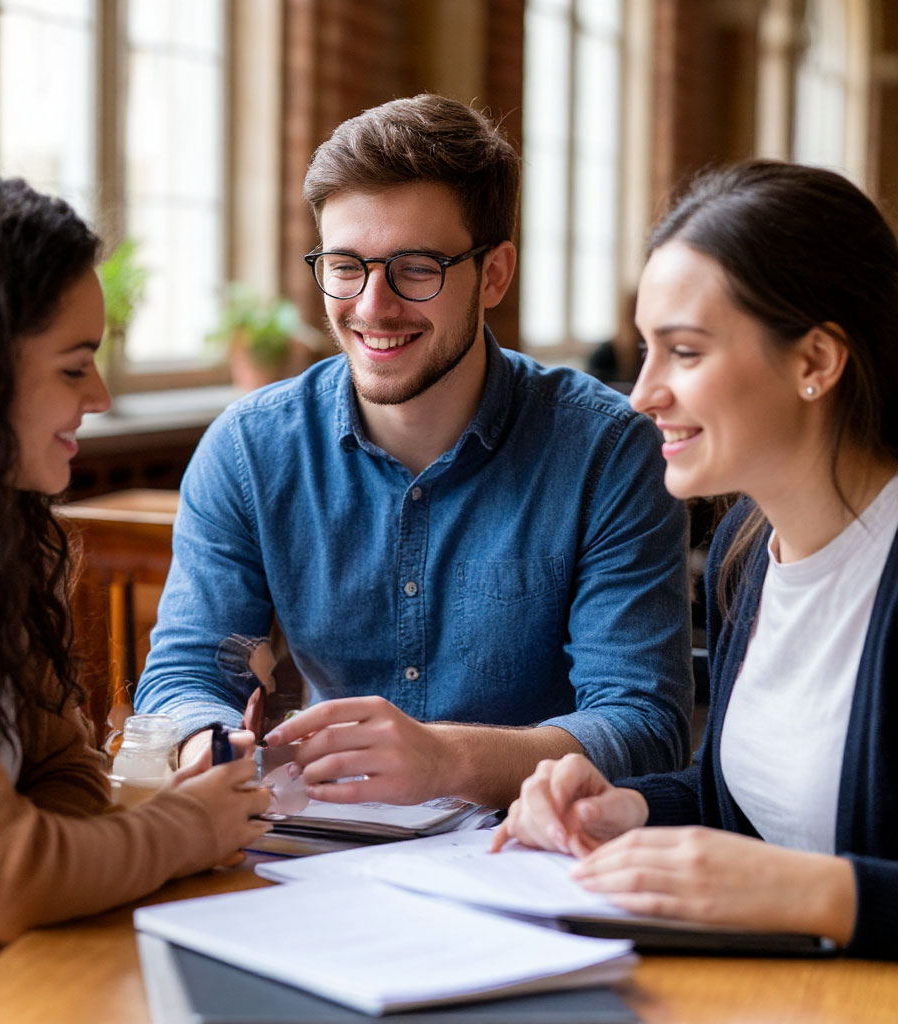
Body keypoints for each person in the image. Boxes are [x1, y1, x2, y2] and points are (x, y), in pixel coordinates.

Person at [136, 94, 692, 809]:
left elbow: (645, 725)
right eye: (346, 265)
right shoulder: (249, 449)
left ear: (495, 274)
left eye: (417, 267)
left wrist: (447, 760)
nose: (372, 306)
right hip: (319, 842)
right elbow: (183, 676)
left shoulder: (608, 450)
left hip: (529, 844)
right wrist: (210, 747)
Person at [0, 168, 271, 1018]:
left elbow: (66, 775)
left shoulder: (1, 528)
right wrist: (189, 828)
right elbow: (3, 874)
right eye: (74, 366)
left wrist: (41, 874)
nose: (100, 397)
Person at [493, 160, 898, 957]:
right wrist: (628, 808)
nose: (642, 393)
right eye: (646, 348)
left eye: (683, 351)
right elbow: (749, 805)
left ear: (816, 361)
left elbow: (796, 866)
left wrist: (817, 894)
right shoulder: (745, 556)